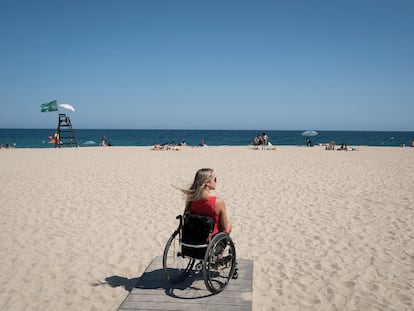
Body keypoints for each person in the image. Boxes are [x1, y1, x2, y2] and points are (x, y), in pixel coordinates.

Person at [178, 168, 232, 235]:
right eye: (215, 179)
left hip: (192, 237)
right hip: (210, 239)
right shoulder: (218, 202)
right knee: (229, 225)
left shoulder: (191, 199)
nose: (216, 182)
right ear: (207, 182)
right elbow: (224, 226)